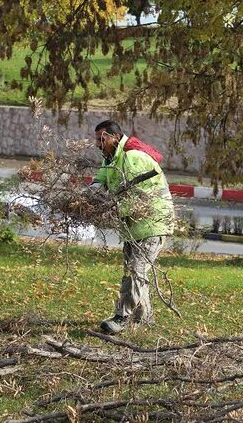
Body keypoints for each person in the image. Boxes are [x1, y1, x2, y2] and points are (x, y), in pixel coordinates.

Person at [91, 120, 175, 334]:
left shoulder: (132, 158)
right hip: (135, 225)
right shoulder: (112, 158)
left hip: (152, 223)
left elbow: (137, 198)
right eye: (97, 139)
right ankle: (144, 319)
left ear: (114, 137)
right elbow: (102, 178)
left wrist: (111, 211)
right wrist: (89, 194)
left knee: (135, 272)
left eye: (101, 138)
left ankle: (121, 317)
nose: (98, 144)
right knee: (135, 272)